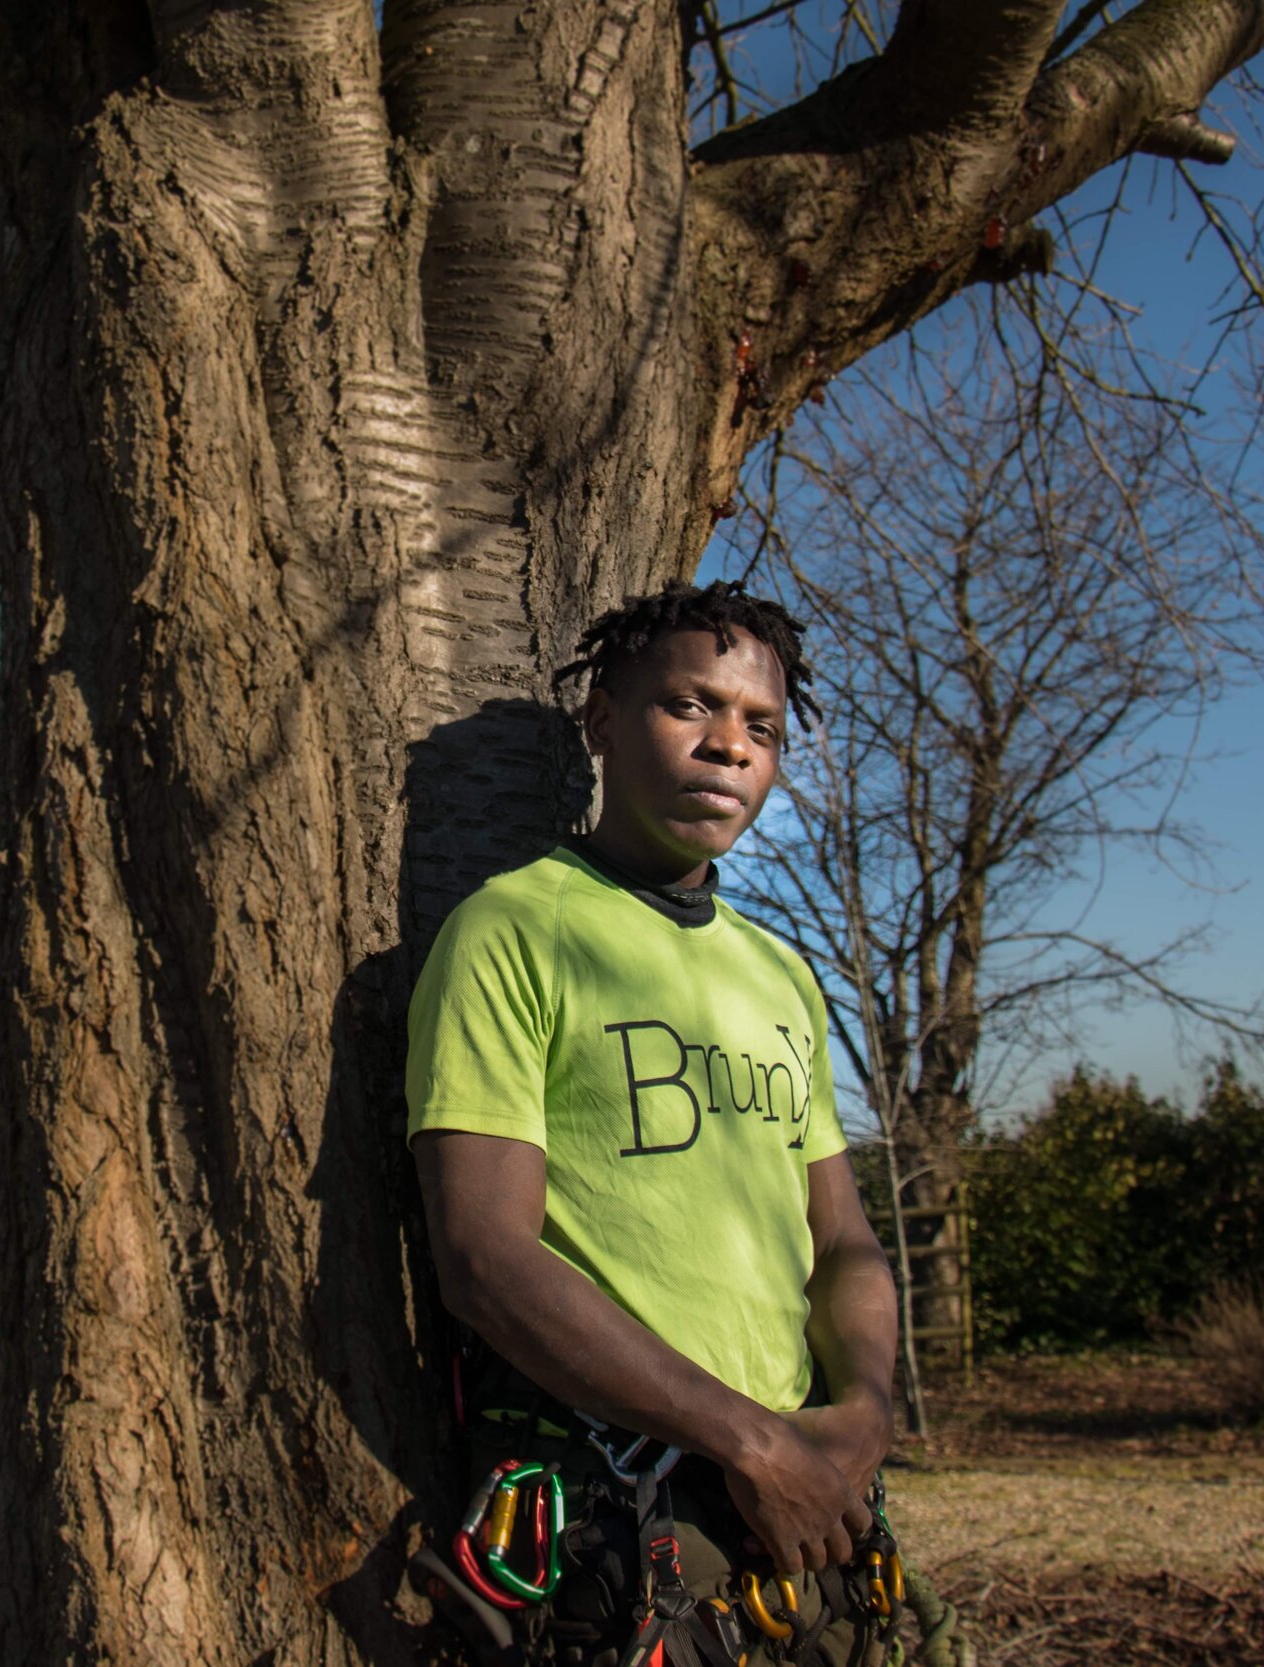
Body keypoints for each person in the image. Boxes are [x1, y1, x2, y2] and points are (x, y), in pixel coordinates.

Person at [407, 581, 902, 1667]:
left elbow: (845, 1242)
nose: (728, 745)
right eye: (689, 705)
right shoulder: (513, 931)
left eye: (759, 726)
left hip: (799, 1503)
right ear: (602, 721)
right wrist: (748, 1438)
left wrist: (862, 1414)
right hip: (621, 1515)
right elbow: (485, 1257)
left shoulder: (780, 975)